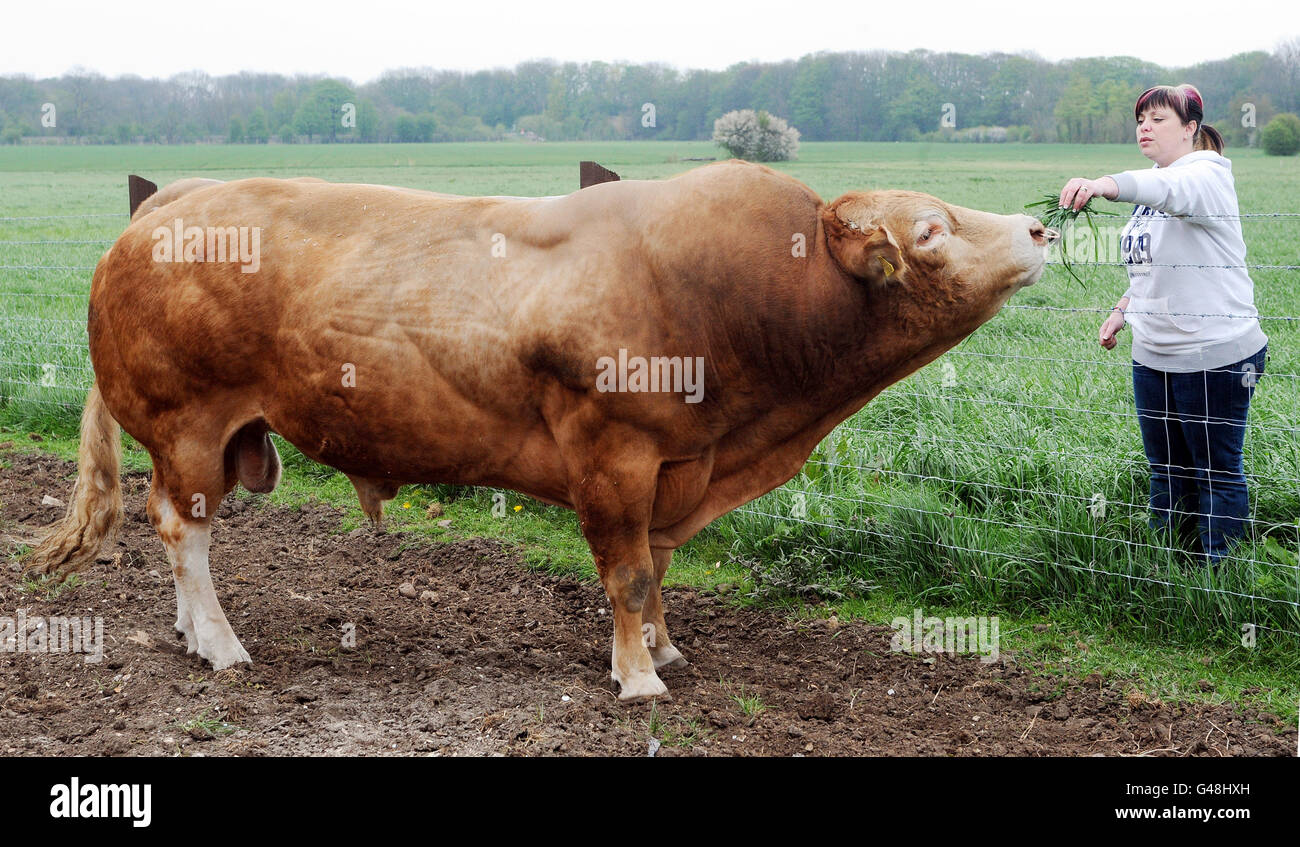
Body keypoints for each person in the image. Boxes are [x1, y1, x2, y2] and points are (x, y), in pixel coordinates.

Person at [1058, 83, 1267, 565]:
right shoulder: (1156, 182)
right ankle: (1166, 567)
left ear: (1191, 129)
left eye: (1158, 119)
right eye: (1140, 120)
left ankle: (1218, 576)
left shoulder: (1206, 176)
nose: (1144, 128)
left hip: (1216, 352)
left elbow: (1170, 191)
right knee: (1167, 469)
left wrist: (1104, 184)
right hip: (1154, 353)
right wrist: (1124, 308)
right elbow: (1153, 263)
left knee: (1215, 471)